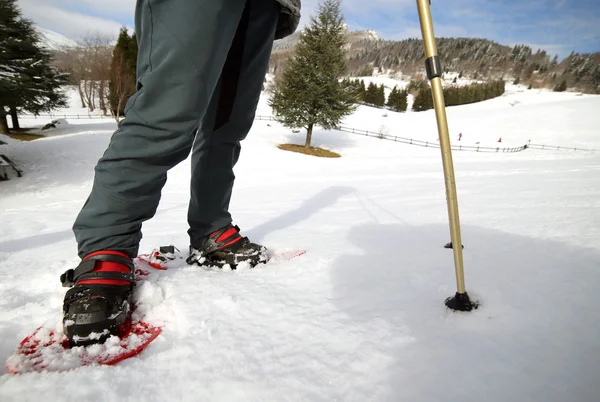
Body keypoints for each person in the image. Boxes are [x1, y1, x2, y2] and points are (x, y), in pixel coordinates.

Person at [59, 0, 301, 346]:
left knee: (227, 128)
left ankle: (211, 229)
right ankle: (106, 249)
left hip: (268, 5)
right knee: (166, 110)